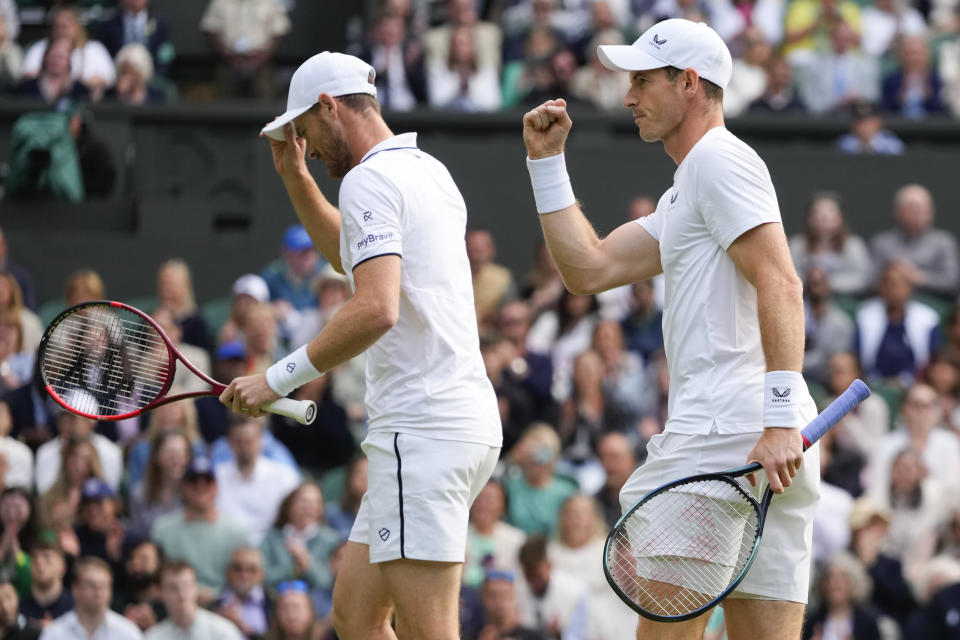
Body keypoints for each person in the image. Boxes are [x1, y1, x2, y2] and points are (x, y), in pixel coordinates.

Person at [522, 17, 821, 639]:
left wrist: (778, 419)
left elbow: (782, 282)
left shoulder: (719, 162)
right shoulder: (690, 185)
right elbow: (590, 267)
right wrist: (547, 164)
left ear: (688, 83)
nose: (629, 96)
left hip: (729, 439)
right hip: (758, 441)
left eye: (643, 81)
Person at [220, 51, 502, 640]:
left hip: (421, 433)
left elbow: (375, 307)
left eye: (306, 132)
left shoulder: (369, 178)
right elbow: (349, 260)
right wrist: (296, 178)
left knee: (431, 631)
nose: (310, 147)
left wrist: (275, 379)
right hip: (455, 425)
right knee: (355, 617)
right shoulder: (428, 169)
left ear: (329, 107)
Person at [150, 456, 250, 597]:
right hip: (176, 601)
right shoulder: (163, 529)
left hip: (225, 602)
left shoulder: (237, 531)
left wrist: (216, 595)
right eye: (194, 481)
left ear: (216, 487)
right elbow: (156, 575)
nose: (200, 487)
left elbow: (246, 575)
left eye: (207, 481)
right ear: (183, 487)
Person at [214, 415, 301, 546]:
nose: (244, 447)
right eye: (239, 441)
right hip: (226, 547)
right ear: (229, 444)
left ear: (261, 441)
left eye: (249, 441)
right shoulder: (216, 476)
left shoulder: (284, 477)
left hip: (272, 549)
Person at [870, 184, 960, 300]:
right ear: (898, 211)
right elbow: (871, 282)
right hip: (889, 305)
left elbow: (951, 282)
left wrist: (918, 277)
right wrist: (893, 277)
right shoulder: (882, 243)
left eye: (924, 209)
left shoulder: (943, 242)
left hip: (931, 302)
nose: (919, 214)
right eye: (913, 208)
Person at [38, 556, 143, 640]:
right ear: (75, 589)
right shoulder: (55, 634)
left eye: (103, 585)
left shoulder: (128, 633)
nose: (98, 591)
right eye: (91, 585)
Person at [145, 561, 243, 640]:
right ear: (161, 593)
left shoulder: (223, 631)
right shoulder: (153, 636)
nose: (181, 594)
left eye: (186, 585)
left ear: (195, 588)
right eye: (173, 587)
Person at [215, 547, 269, 640]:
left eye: (252, 569)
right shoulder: (213, 604)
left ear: (261, 574)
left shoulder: (274, 604)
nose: (244, 575)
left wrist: (242, 626)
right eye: (238, 568)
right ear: (228, 572)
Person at [19, 539, 73, 631]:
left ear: (63, 566)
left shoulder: (75, 609)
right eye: (34, 557)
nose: (39, 563)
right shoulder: (19, 609)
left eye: (47, 557)